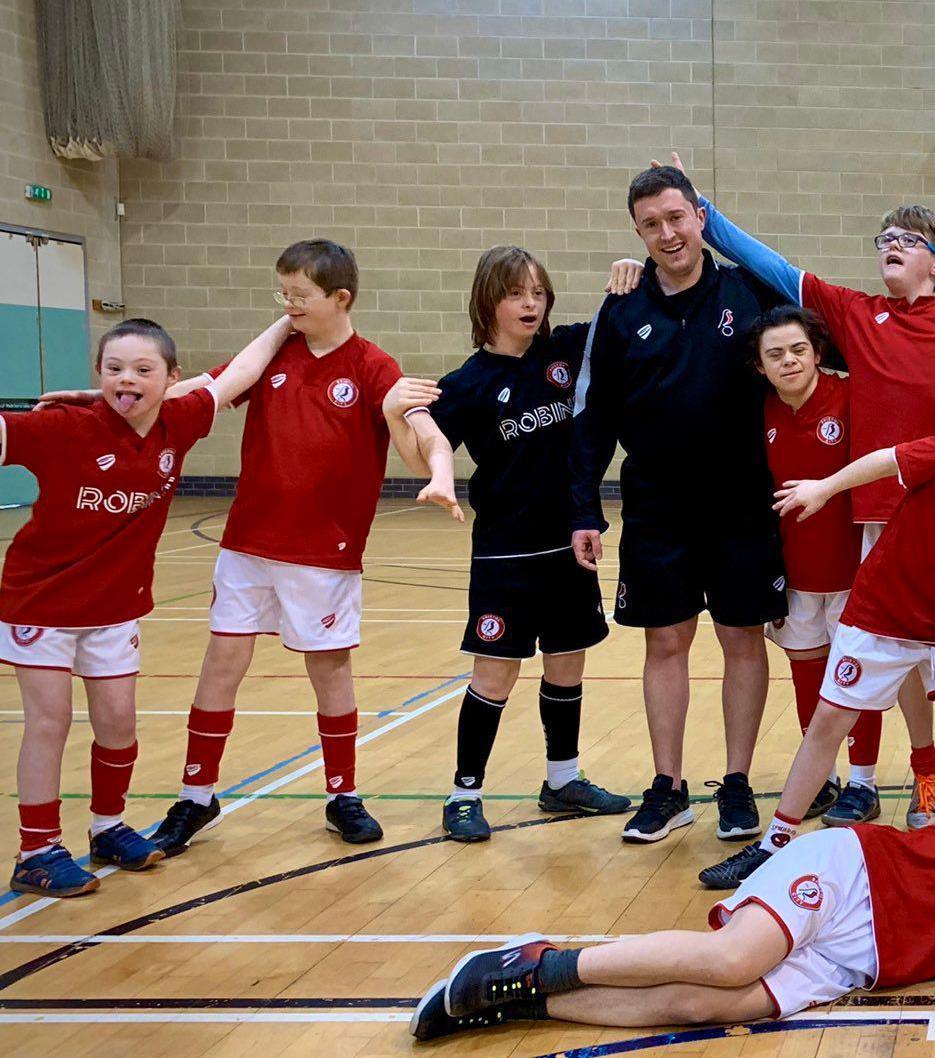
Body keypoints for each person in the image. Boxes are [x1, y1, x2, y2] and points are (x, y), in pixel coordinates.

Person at [620, 155, 935, 829]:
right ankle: (917, 772)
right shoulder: (855, 315)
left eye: (906, 242)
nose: (891, 250)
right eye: (884, 242)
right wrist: (702, 210)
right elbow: (770, 264)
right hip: (883, 520)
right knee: (898, 661)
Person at [408, 781, 935, 1038]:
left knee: (709, 1006)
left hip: (860, 962)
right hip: (857, 872)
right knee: (731, 961)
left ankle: (527, 1000)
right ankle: (534, 961)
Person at [693, 381, 935, 889]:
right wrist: (825, 486)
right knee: (831, 718)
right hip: (881, 614)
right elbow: (885, 459)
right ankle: (775, 843)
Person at [147, 239, 438, 853]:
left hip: (324, 553)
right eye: (283, 294)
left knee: (328, 669)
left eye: (300, 295)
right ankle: (196, 794)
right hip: (248, 542)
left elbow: (423, 431)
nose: (289, 305)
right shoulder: (273, 353)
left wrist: (439, 474)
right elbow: (204, 390)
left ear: (341, 298)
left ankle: (342, 794)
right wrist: (104, 404)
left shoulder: (371, 365)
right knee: (221, 662)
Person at [3, 318, 290, 895]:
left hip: (114, 609)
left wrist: (288, 319)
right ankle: (36, 849)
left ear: (171, 379)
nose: (126, 380)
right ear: (97, 374)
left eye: (142, 370)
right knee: (50, 722)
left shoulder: (178, 423)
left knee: (117, 726)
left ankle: (107, 826)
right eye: (113, 369)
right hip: (41, 603)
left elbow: (240, 372)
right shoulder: (61, 427)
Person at [569, 164, 792, 846]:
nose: (667, 234)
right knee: (665, 641)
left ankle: (735, 783)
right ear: (637, 231)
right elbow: (592, 414)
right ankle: (668, 787)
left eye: (676, 218)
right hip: (657, 505)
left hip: (743, 500)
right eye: (651, 225)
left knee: (740, 638)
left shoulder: (748, 292)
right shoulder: (622, 307)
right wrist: (583, 507)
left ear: (700, 216)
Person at [387, 246, 634, 842]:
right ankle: (464, 794)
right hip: (504, 553)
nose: (530, 303)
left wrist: (632, 273)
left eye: (538, 292)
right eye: (515, 293)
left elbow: (623, 316)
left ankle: (562, 780)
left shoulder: (565, 352)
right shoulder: (466, 385)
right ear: (487, 301)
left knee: (568, 665)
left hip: (570, 544)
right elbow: (425, 454)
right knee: (495, 675)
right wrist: (398, 416)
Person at [748, 305, 885, 823]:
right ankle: (822, 777)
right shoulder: (758, 412)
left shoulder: (852, 398)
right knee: (808, 678)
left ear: (818, 352)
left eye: (798, 350)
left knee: (854, 678)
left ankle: (863, 782)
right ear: (760, 366)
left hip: (854, 571)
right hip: (794, 575)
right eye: (775, 354)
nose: (789, 361)